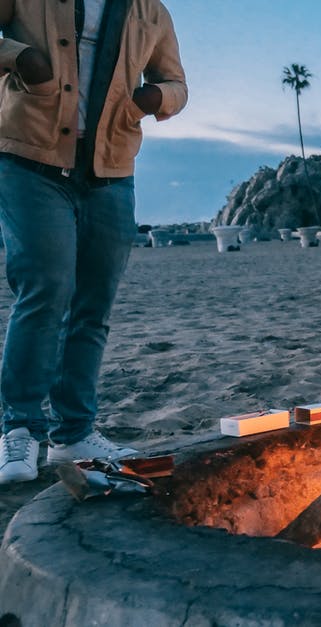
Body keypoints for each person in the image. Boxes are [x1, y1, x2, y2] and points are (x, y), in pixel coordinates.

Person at [0, 0, 188, 485]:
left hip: (110, 169)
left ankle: (74, 434)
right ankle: (20, 428)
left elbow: (177, 84)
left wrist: (151, 100)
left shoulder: (152, 11)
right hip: (31, 159)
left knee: (93, 305)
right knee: (45, 289)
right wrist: (22, 59)